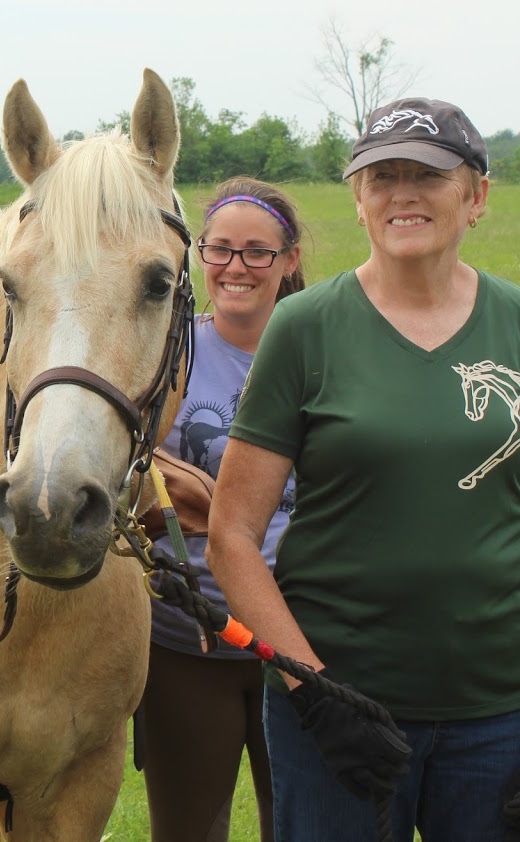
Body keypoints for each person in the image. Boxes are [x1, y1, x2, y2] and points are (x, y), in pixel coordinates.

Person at [206, 97, 520, 841]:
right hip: (339, 710)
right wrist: (316, 694)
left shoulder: (515, 320)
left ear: (475, 196)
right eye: (381, 177)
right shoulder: (306, 326)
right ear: (357, 197)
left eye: (427, 175)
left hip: (499, 717)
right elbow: (233, 536)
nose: (402, 194)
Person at [140, 178, 303, 842]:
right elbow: (123, 451)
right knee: (187, 829)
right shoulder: (166, 350)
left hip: (300, 637)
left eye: (258, 252)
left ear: (289, 260)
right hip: (187, 637)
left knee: (303, 824)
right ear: (196, 255)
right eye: (220, 249)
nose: (236, 267)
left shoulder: (317, 352)